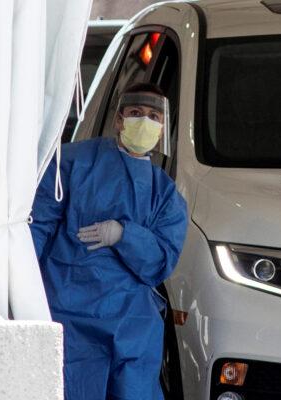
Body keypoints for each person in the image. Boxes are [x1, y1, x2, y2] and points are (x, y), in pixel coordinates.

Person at [30, 82, 188, 400]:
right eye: (135, 113)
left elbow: (160, 263)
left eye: (154, 116)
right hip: (69, 314)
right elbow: (34, 230)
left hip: (131, 324)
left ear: (163, 129)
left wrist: (124, 234)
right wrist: (23, 294)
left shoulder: (165, 194)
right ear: (118, 120)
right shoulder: (73, 164)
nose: (145, 122)